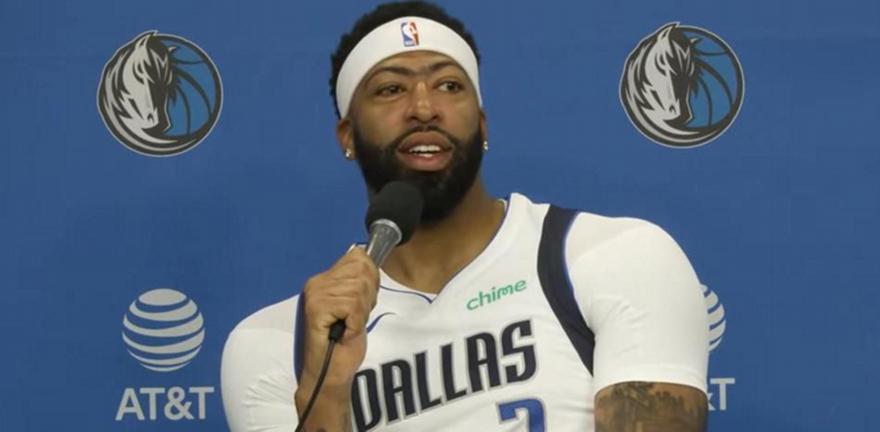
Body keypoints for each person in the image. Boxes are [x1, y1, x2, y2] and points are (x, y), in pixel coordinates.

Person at [221, 2, 709, 431]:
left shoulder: (612, 257)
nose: (423, 108)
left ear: (482, 123)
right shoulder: (279, 343)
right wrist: (326, 389)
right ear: (347, 135)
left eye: (449, 85)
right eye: (390, 89)